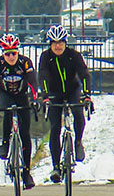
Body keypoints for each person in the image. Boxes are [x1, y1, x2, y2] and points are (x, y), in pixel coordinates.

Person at [38, 24, 92, 183]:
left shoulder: (74, 55)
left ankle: (78, 142)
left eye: (61, 42)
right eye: (54, 43)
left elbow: (84, 75)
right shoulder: (45, 57)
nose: (58, 46)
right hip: (54, 93)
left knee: (78, 113)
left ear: (65, 42)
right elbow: (43, 76)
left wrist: (87, 95)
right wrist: (45, 96)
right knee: (55, 128)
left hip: (72, 90)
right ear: (50, 44)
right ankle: (56, 166)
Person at [0, 33, 37, 190]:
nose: (11, 56)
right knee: (8, 111)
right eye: (7, 53)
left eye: (14, 53)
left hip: (21, 95)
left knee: (25, 133)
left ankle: (27, 173)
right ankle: (5, 143)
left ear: (18, 52)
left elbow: (32, 82)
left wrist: (35, 99)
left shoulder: (25, 63)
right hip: (5, 94)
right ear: (3, 53)